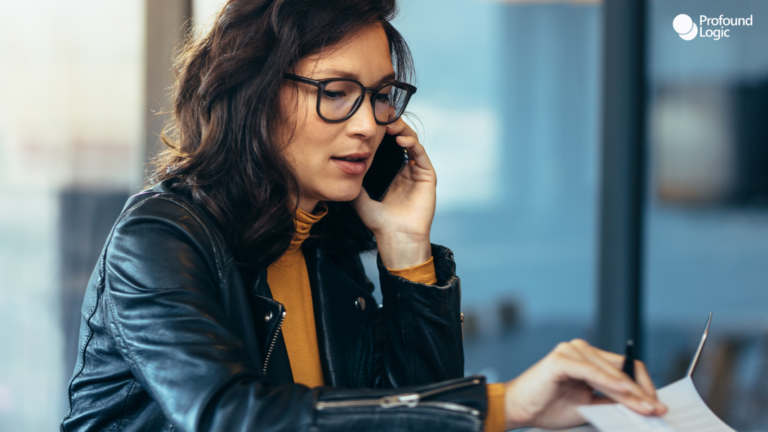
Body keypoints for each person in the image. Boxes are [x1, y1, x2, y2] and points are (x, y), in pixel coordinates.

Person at [61, 0, 667, 431]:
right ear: (254, 91)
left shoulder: (326, 245)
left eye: (380, 96)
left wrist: (406, 249)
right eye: (335, 92)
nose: (367, 124)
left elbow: (401, 411)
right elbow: (230, 416)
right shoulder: (162, 236)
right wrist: (501, 407)